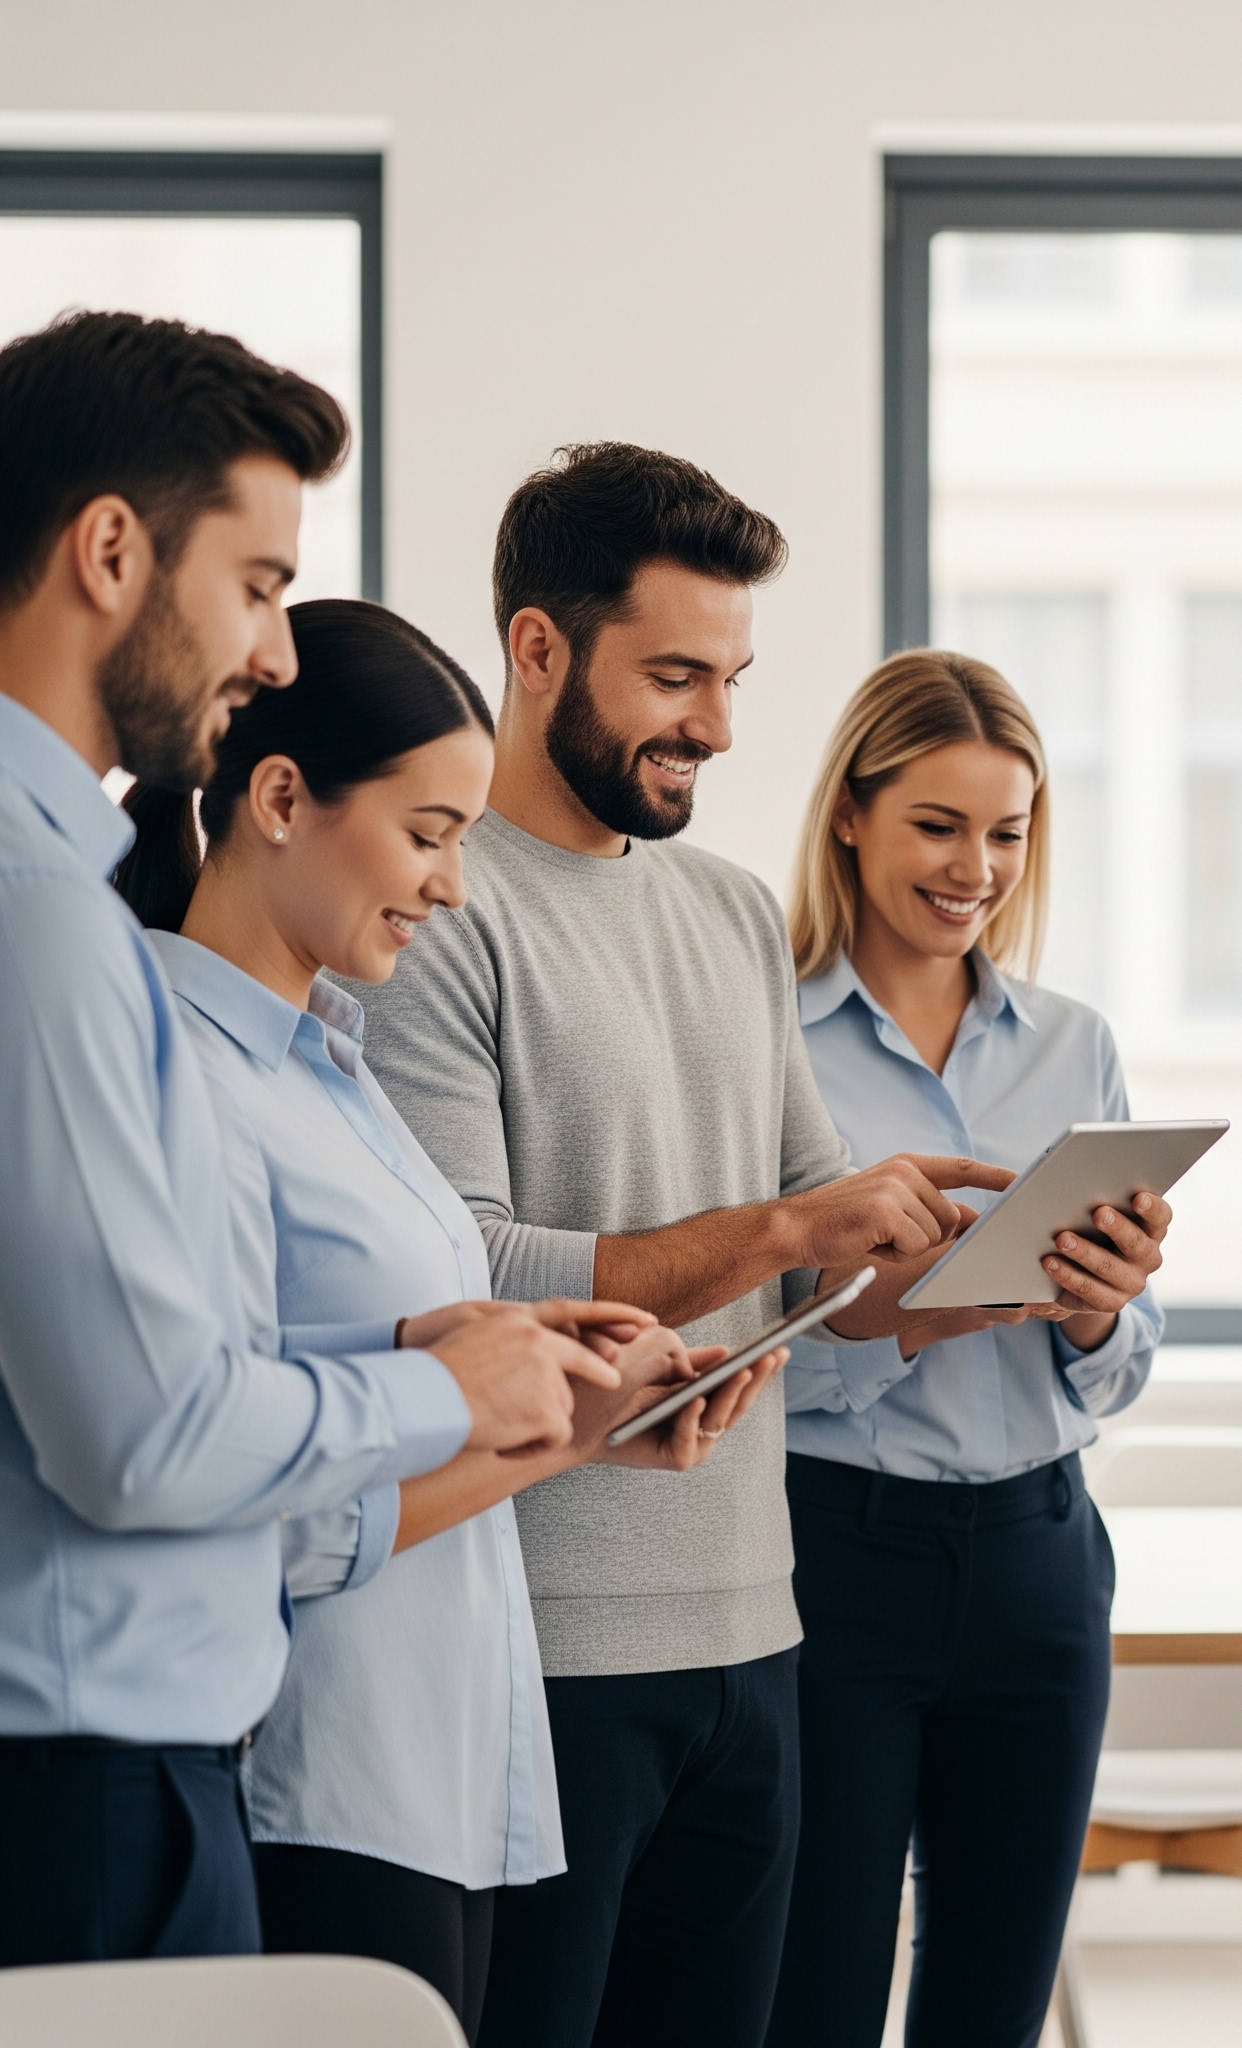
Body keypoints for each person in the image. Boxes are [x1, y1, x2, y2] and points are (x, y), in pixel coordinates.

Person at [351, 443, 1013, 2048]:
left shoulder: (723, 912)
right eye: (674, 676)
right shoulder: (431, 907)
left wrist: (1006, 1273)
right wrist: (798, 1220)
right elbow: (477, 1277)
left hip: (756, 1633)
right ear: (536, 650)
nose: (716, 726)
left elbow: (820, 1285)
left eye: (731, 678)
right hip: (548, 1647)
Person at [0, 313, 624, 1968]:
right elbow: (142, 1438)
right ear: (114, 553)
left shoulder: (70, 912)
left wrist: (440, 1355)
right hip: (96, 1790)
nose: (272, 653)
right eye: (261, 585)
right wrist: (446, 1390)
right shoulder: (47, 925)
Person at [113, 595, 785, 2037]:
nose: (459, 887)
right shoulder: (182, 1082)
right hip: (314, 1782)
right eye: (429, 834)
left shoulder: (335, 1070)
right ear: (279, 799)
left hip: (447, 1776)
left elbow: (401, 1400)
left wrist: (571, 1416)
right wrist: (506, 1409)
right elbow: (258, 1513)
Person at [762, 651, 1170, 2048]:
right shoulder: (768, 1043)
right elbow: (729, 1351)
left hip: (1039, 1561)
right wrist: (902, 1323)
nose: (976, 868)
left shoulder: (1074, 1043)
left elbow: (1119, 1368)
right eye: (939, 825)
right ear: (852, 817)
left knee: (993, 2001)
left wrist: (1102, 1307)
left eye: (1006, 832)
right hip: (830, 1557)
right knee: (813, 1987)